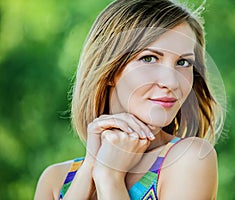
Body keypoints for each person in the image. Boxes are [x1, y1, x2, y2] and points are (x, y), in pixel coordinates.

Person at [34, 0, 225, 199]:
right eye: (149, 58)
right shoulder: (55, 181)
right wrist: (91, 167)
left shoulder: (189, 159)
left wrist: (109, 177)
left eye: (183, 62)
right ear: (109, 70)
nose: (171, 82)